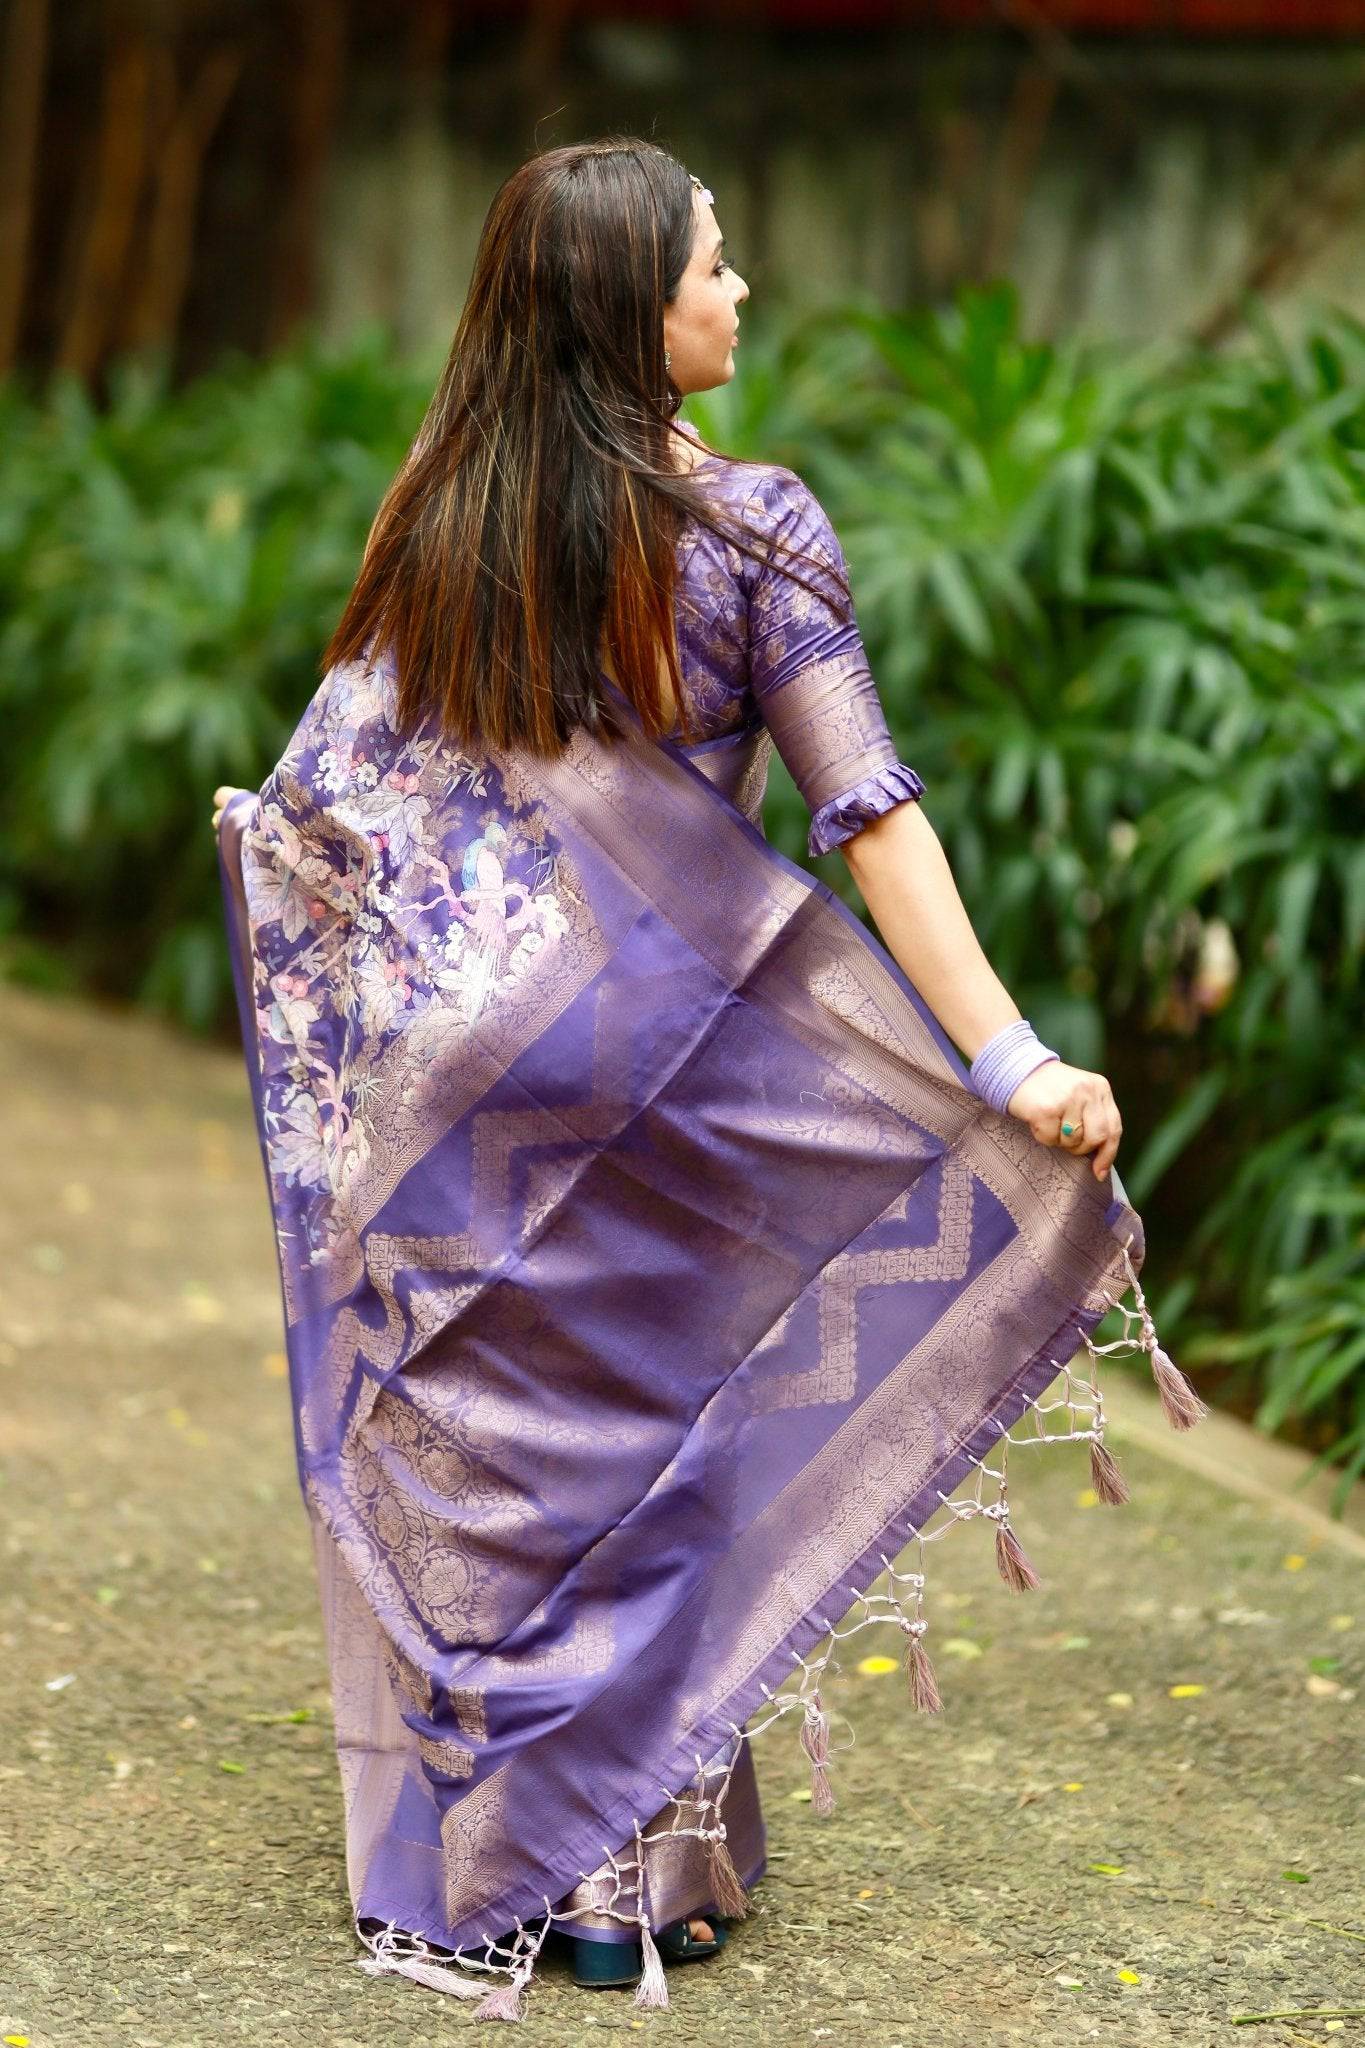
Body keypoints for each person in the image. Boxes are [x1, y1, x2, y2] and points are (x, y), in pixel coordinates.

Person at [212, 138, 1205, 2021]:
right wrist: (1000, 1059)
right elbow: (868, 817)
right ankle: (637, 1883)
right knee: (660, 1470)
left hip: (468, 1084)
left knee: (503, 1463)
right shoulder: (753, 533)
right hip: (678, 1075)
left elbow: (338, 801)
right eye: (715, 268)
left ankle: (492, 1869)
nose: (741, 296)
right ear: (629, 309)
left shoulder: (443, 517)